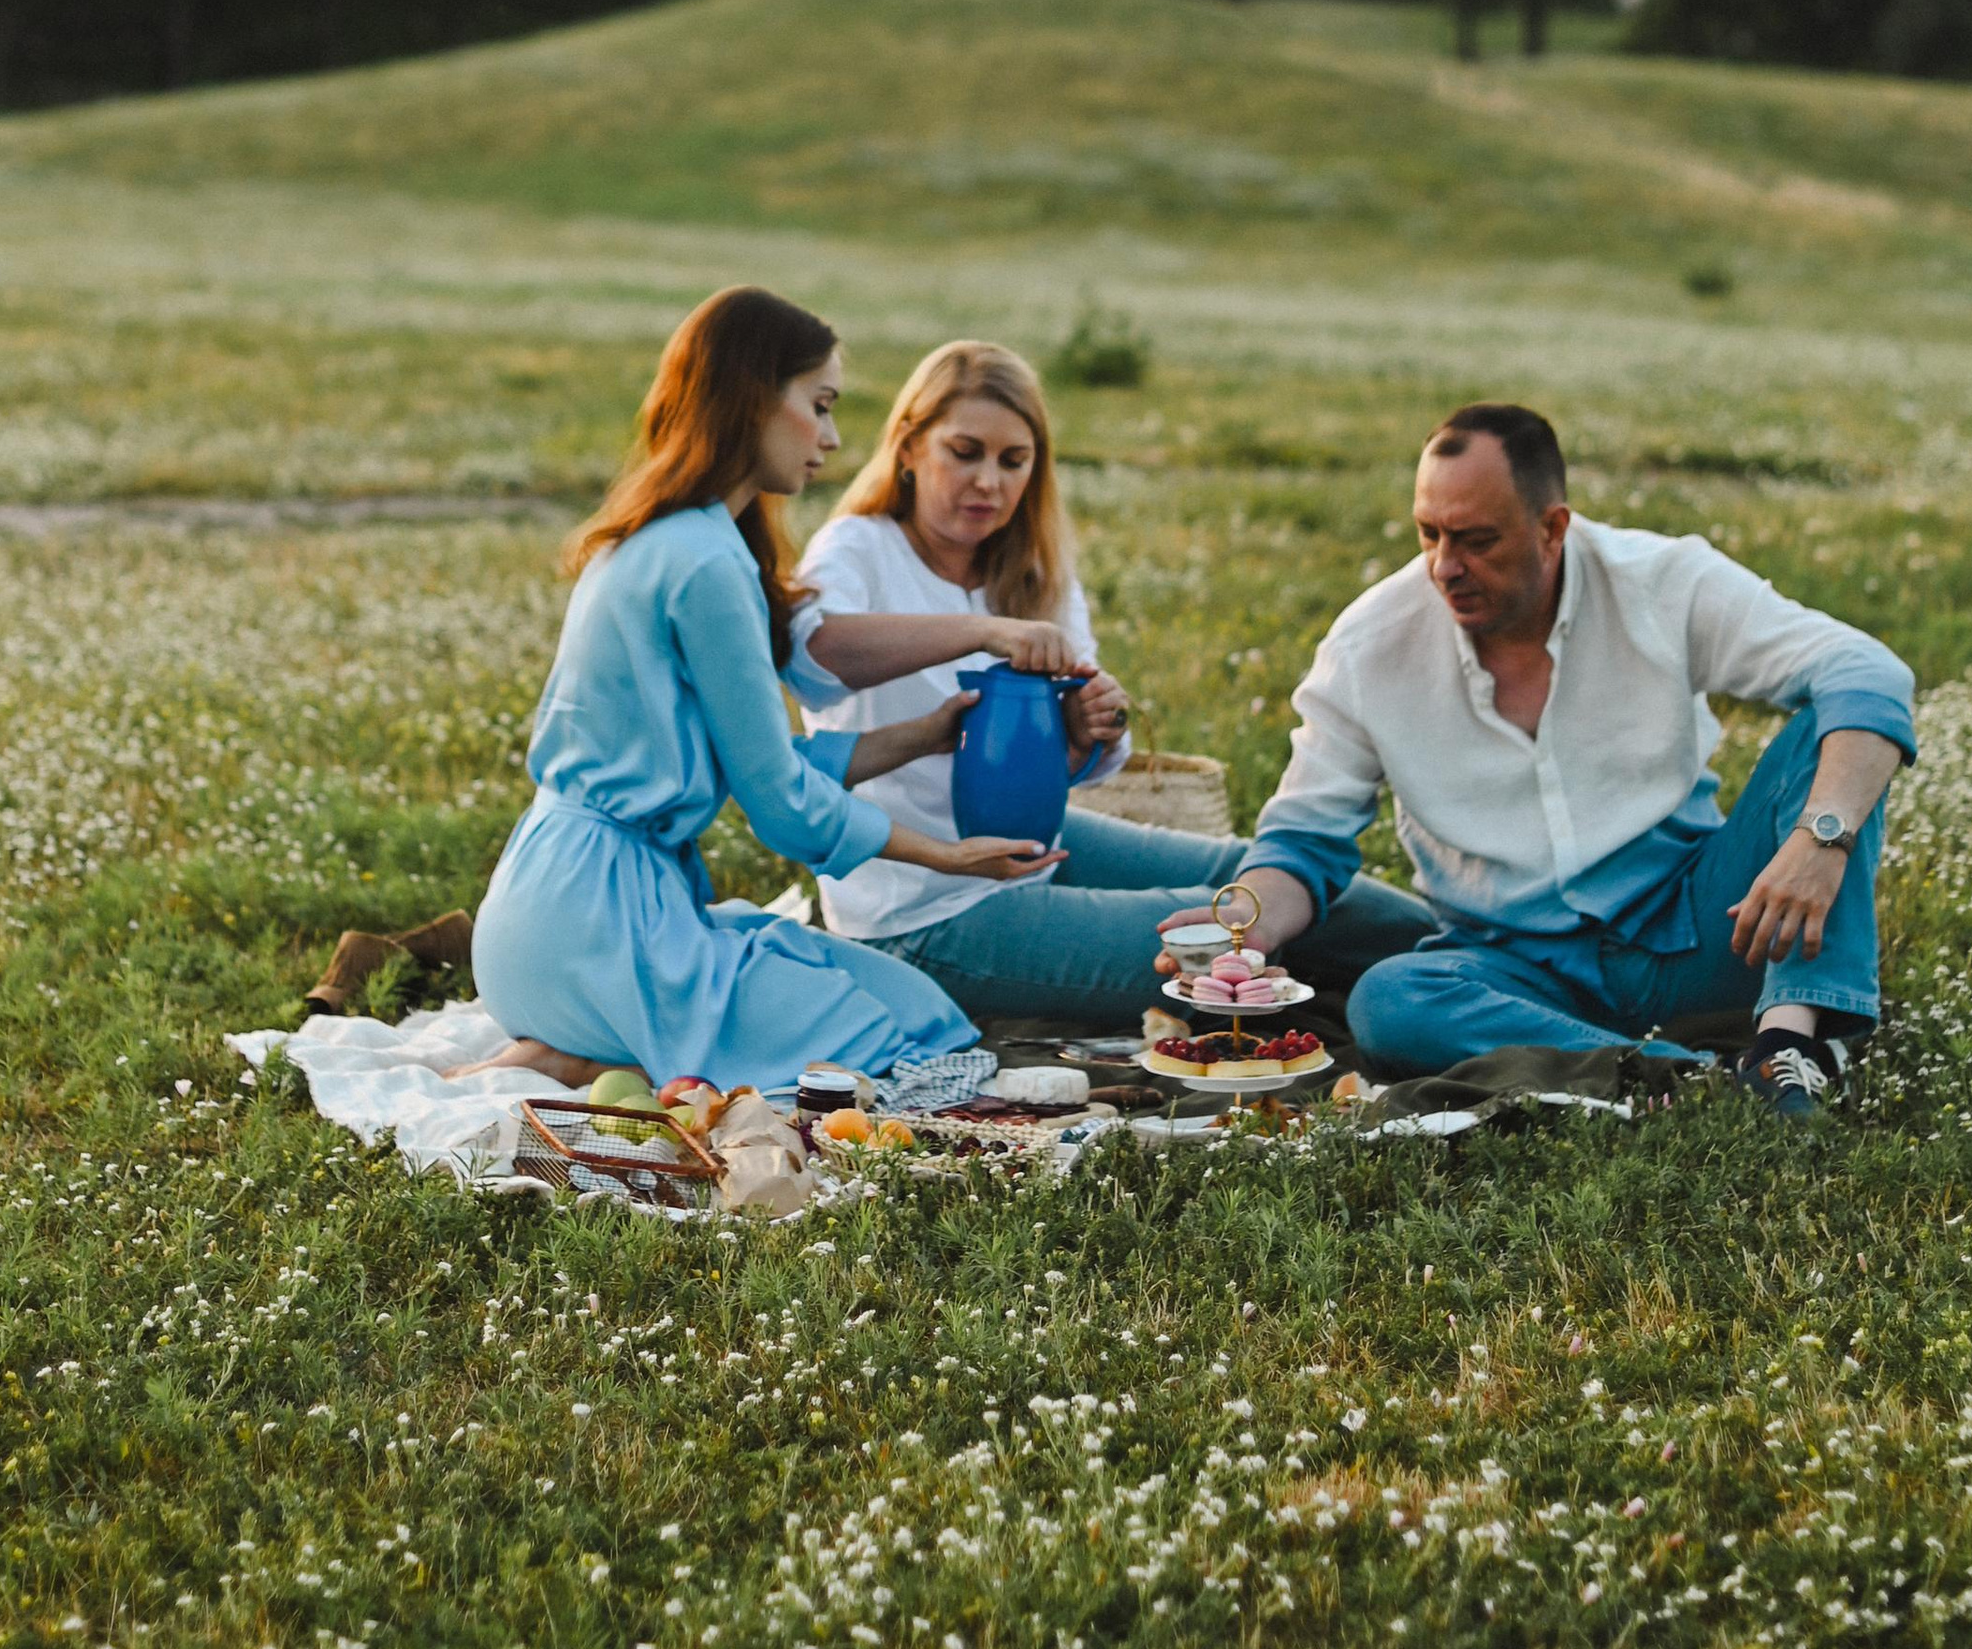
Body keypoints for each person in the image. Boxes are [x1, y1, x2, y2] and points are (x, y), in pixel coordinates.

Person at [468, 287, 1080, 1097]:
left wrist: (927, 733)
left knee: (913, 1004)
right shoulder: (705, 562)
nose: (830, 437)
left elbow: (771, 760)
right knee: (898, 1044)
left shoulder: (675, 537)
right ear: (754, 398)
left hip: (555, 912)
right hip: (597, 927)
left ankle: (586, 1052)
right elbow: (782, 804)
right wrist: (947, 856)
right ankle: (593, 1047)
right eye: (819, 405)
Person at [1243, 402, 1915, 1117]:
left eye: (1476, 540)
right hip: (1517, 974)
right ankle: (1678, 1076)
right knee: (1389, 1002)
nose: (1445, 566)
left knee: (1832, 733)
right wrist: (1242, 928)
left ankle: (1790, 1044)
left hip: (1704, 927)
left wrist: (1821, 839)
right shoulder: (1367, 647)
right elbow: (1303, 839)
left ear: (1552, 528)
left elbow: (1867, 674)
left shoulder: (1662, 582)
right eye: (1428, 533)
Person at [798, 338, 1433, 1031]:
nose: (990, 482)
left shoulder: (1030, 569)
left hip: (1037, 845)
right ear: (910, 445)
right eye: (965, 451)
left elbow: (1082, 765)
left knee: (1281, 888)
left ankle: (1478, 961)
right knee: (1223, 951)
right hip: (923, 909)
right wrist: (982, 632)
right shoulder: (856, 548)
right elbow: (820, 653)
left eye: (1015, 461)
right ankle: (1413, 1005)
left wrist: (1091, 731)